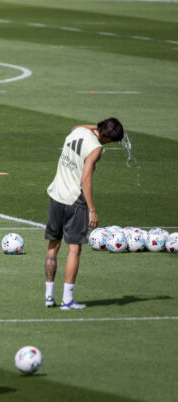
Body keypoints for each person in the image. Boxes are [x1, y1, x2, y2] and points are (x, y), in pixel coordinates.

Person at [44, 118, 124, 310]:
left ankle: (48, 297)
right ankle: (67, 300)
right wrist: (92, 210)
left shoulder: (77, 132)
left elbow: (75, 126)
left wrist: (96, 128)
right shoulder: (96, 148)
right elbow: (85, 178)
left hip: (56, 195)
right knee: (74, 249)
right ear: (106, 137)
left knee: (52, 247)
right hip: (74, 201)